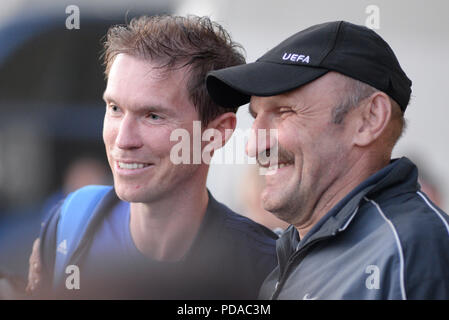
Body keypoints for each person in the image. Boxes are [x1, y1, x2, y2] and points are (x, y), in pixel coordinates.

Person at [26, 15, 277, 299]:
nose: (123, 139)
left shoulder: (265, 269)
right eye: (115, 108)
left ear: (216, 133)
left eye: (153, 116)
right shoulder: (70, 222)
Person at [206, 21, 449, 299]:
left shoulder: (412, 250)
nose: (253, 146)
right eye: (255, 117)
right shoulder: (295, 248)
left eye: (284, 111)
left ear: (369, 120)